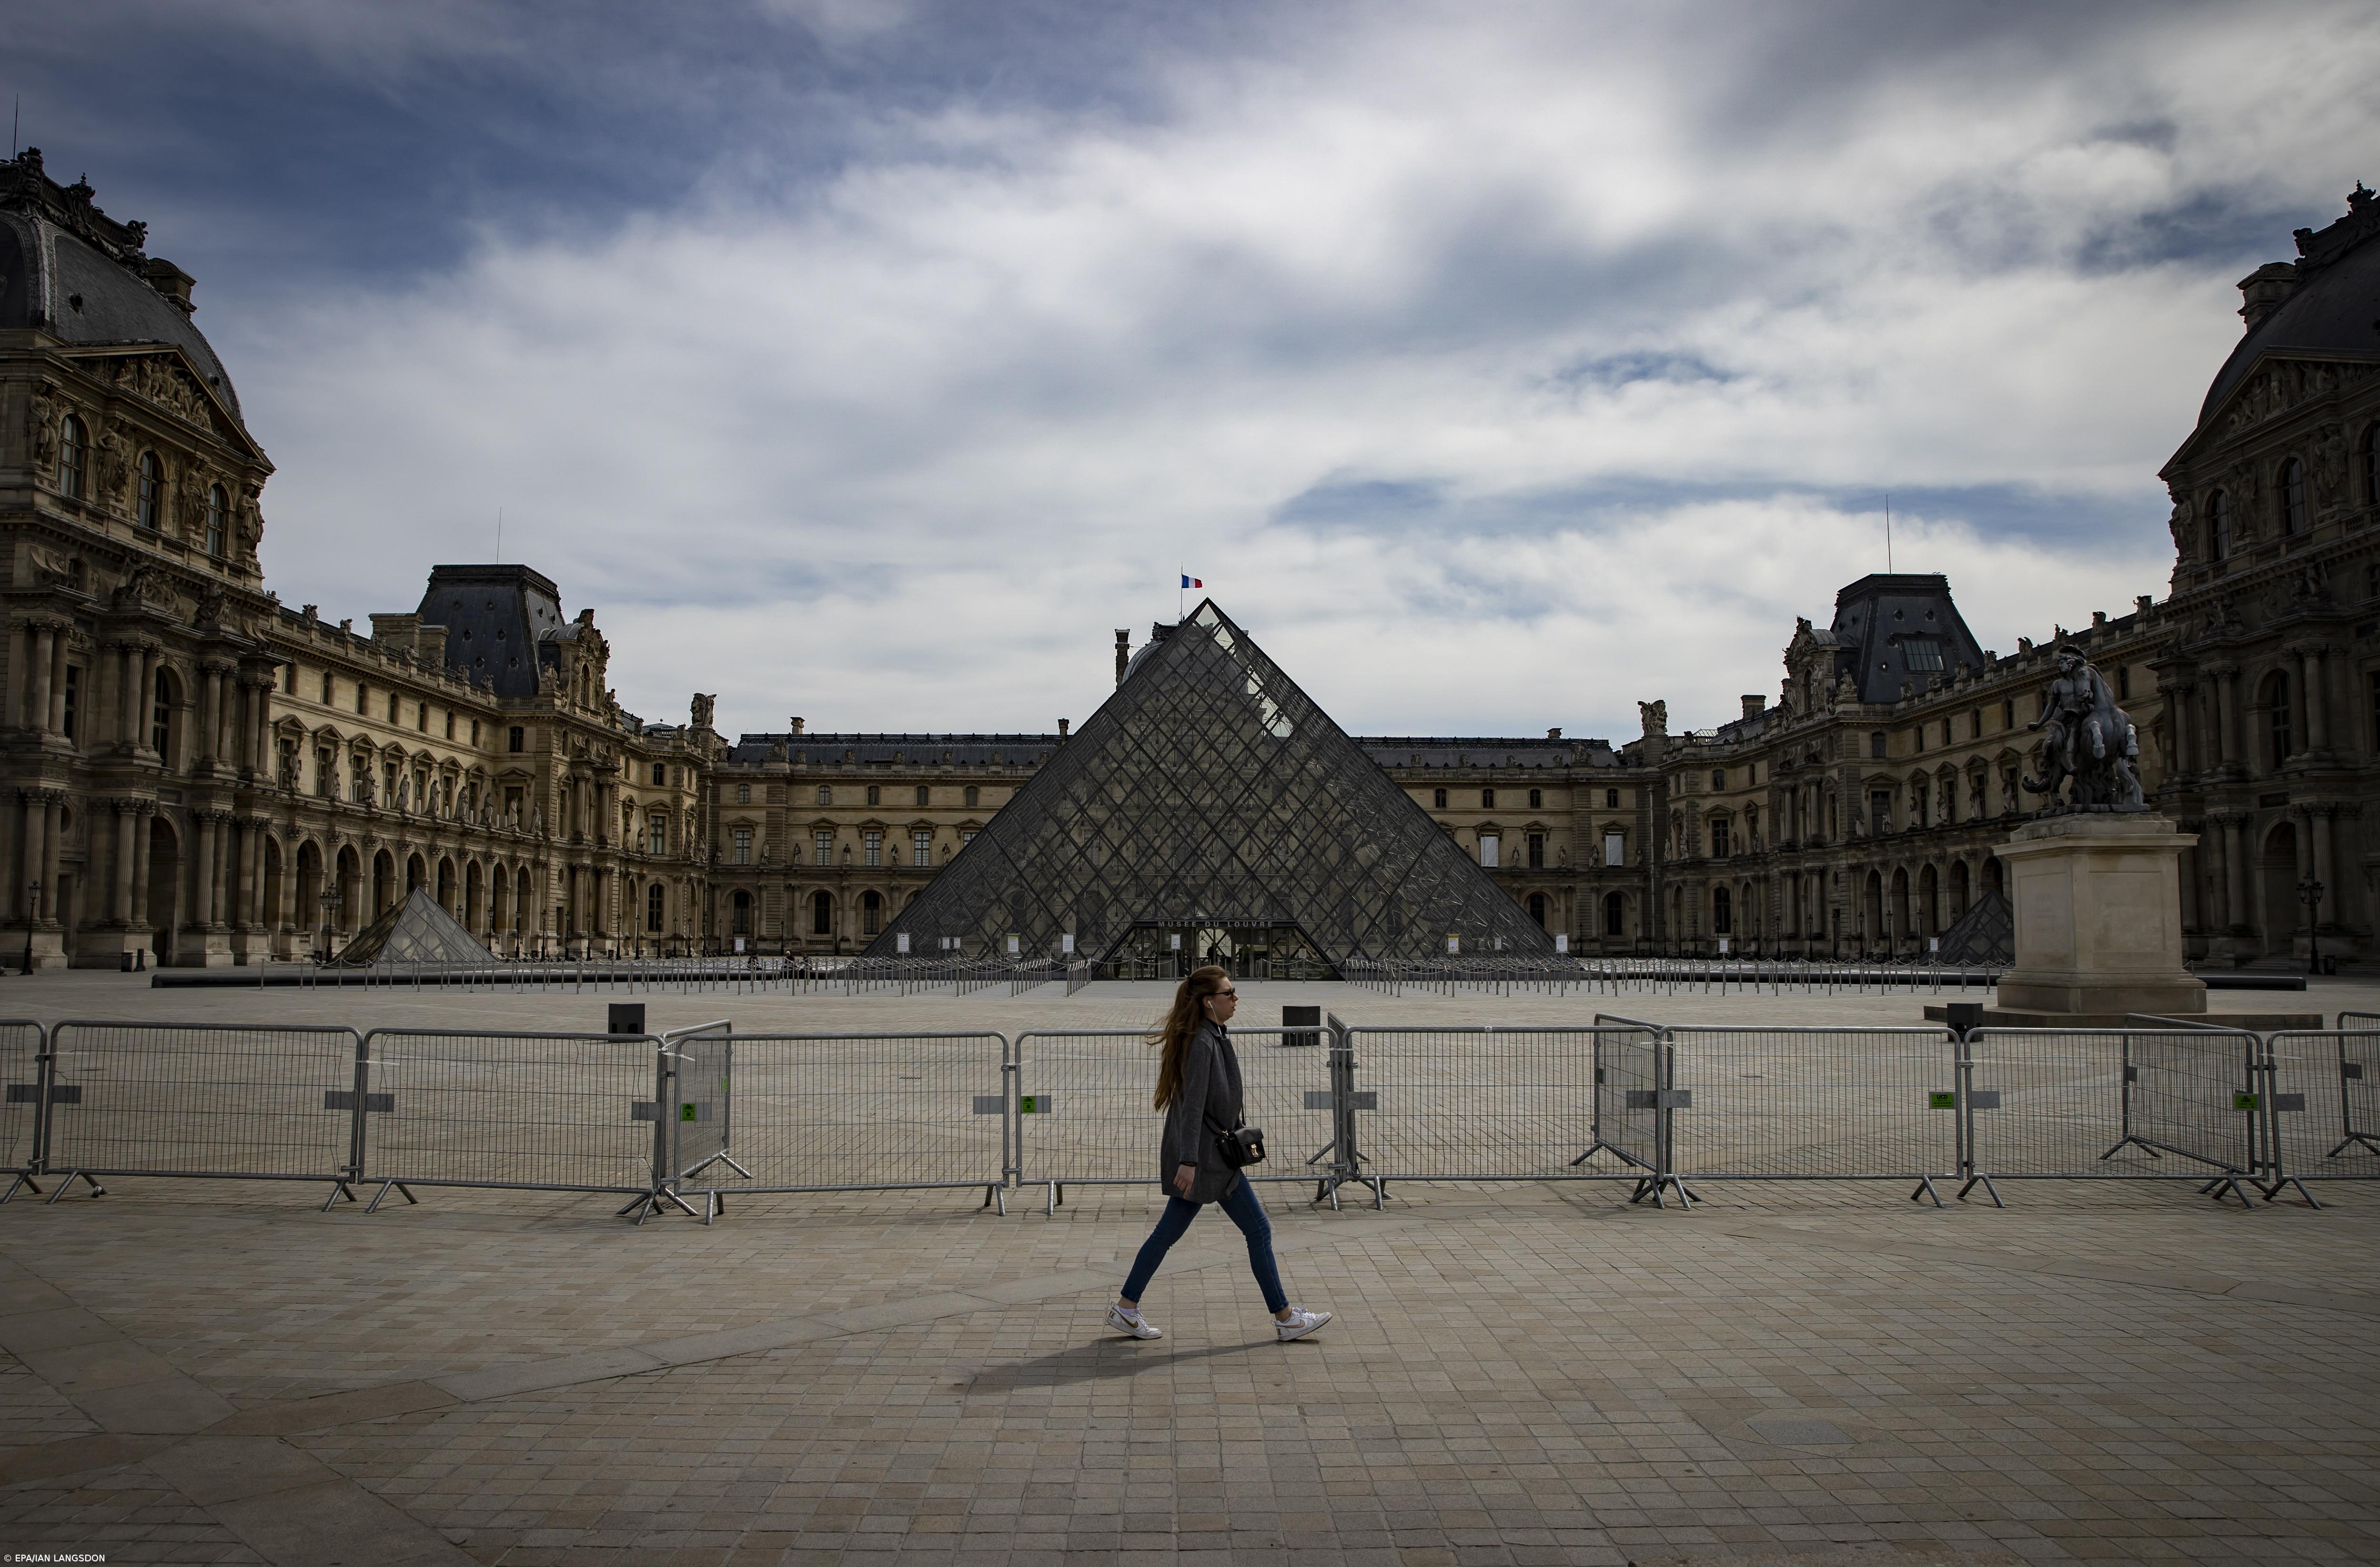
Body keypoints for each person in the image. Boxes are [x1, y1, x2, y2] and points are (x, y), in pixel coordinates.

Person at [1108, 965, 1332, 1344]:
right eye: (1230, 993)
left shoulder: (1209, 1035)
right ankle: (1286, 1317)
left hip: (1209, 1158)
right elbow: (1193, 1105)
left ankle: (1127, 1308)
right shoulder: (1203, 1042)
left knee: (1171, 1234)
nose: (1236, 998)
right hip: (1208, 1161)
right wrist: (1189, 1161)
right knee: (1257, 1229)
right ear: (1209, 1002)